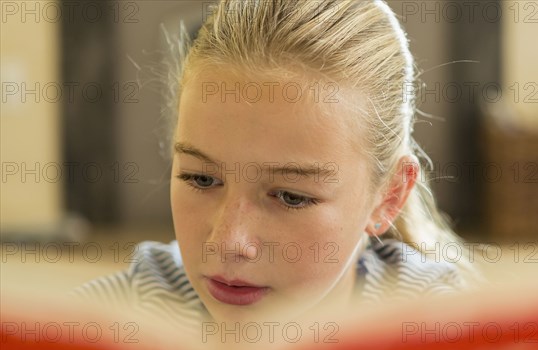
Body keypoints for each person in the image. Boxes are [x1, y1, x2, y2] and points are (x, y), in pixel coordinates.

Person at [75, 0, 481, 330]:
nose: (228, 242)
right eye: (201, 178)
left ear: (387, 197)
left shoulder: (441, 327)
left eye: (290, 196)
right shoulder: (109, 319)